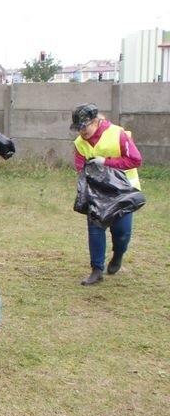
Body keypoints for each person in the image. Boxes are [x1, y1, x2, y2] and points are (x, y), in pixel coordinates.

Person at [70, 103, 142, 286]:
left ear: (95, 122)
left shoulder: (118, 134)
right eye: (78, 128)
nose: (81, 132)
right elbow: (80, 167)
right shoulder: (79, 143)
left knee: (122, 233)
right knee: (95, 229)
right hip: (97, 193)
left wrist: (106, 163)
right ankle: (96, 270)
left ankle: (118, 255)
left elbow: (135, 160)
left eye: (84, 127)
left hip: (123, 192)